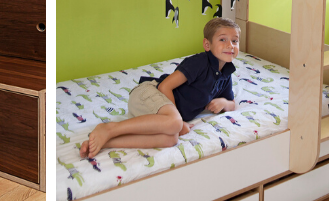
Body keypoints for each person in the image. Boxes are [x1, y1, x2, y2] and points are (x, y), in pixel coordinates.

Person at [79, 17, 240, 158]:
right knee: (176, 124)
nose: (230, 45)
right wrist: (180, 121)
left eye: (235, 40)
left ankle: (106, 140)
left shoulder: (226, 73)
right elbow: (165, 86)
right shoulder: (199, 63)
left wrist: (224, 103)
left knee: (171, 139)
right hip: (148, 93)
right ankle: (110, 128)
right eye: (223, 39)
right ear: (207, 44)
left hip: (160, 116)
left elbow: (231, 103)